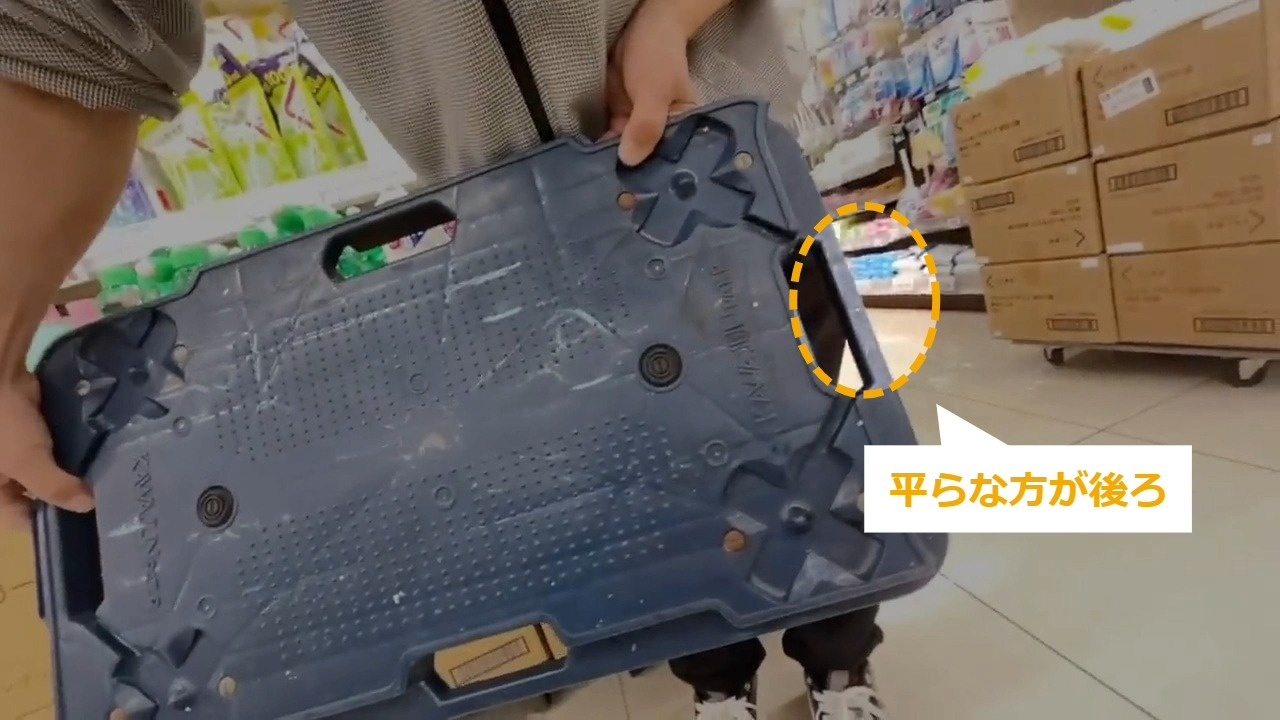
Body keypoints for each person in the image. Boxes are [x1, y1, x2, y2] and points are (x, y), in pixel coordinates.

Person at [0, 1, 886, 718]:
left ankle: (844, 668)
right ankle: (718, 683)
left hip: (712, 167)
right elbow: (74, 32)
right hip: (527, 229)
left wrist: (669, 19)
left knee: (822, 457)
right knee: (666, 494)